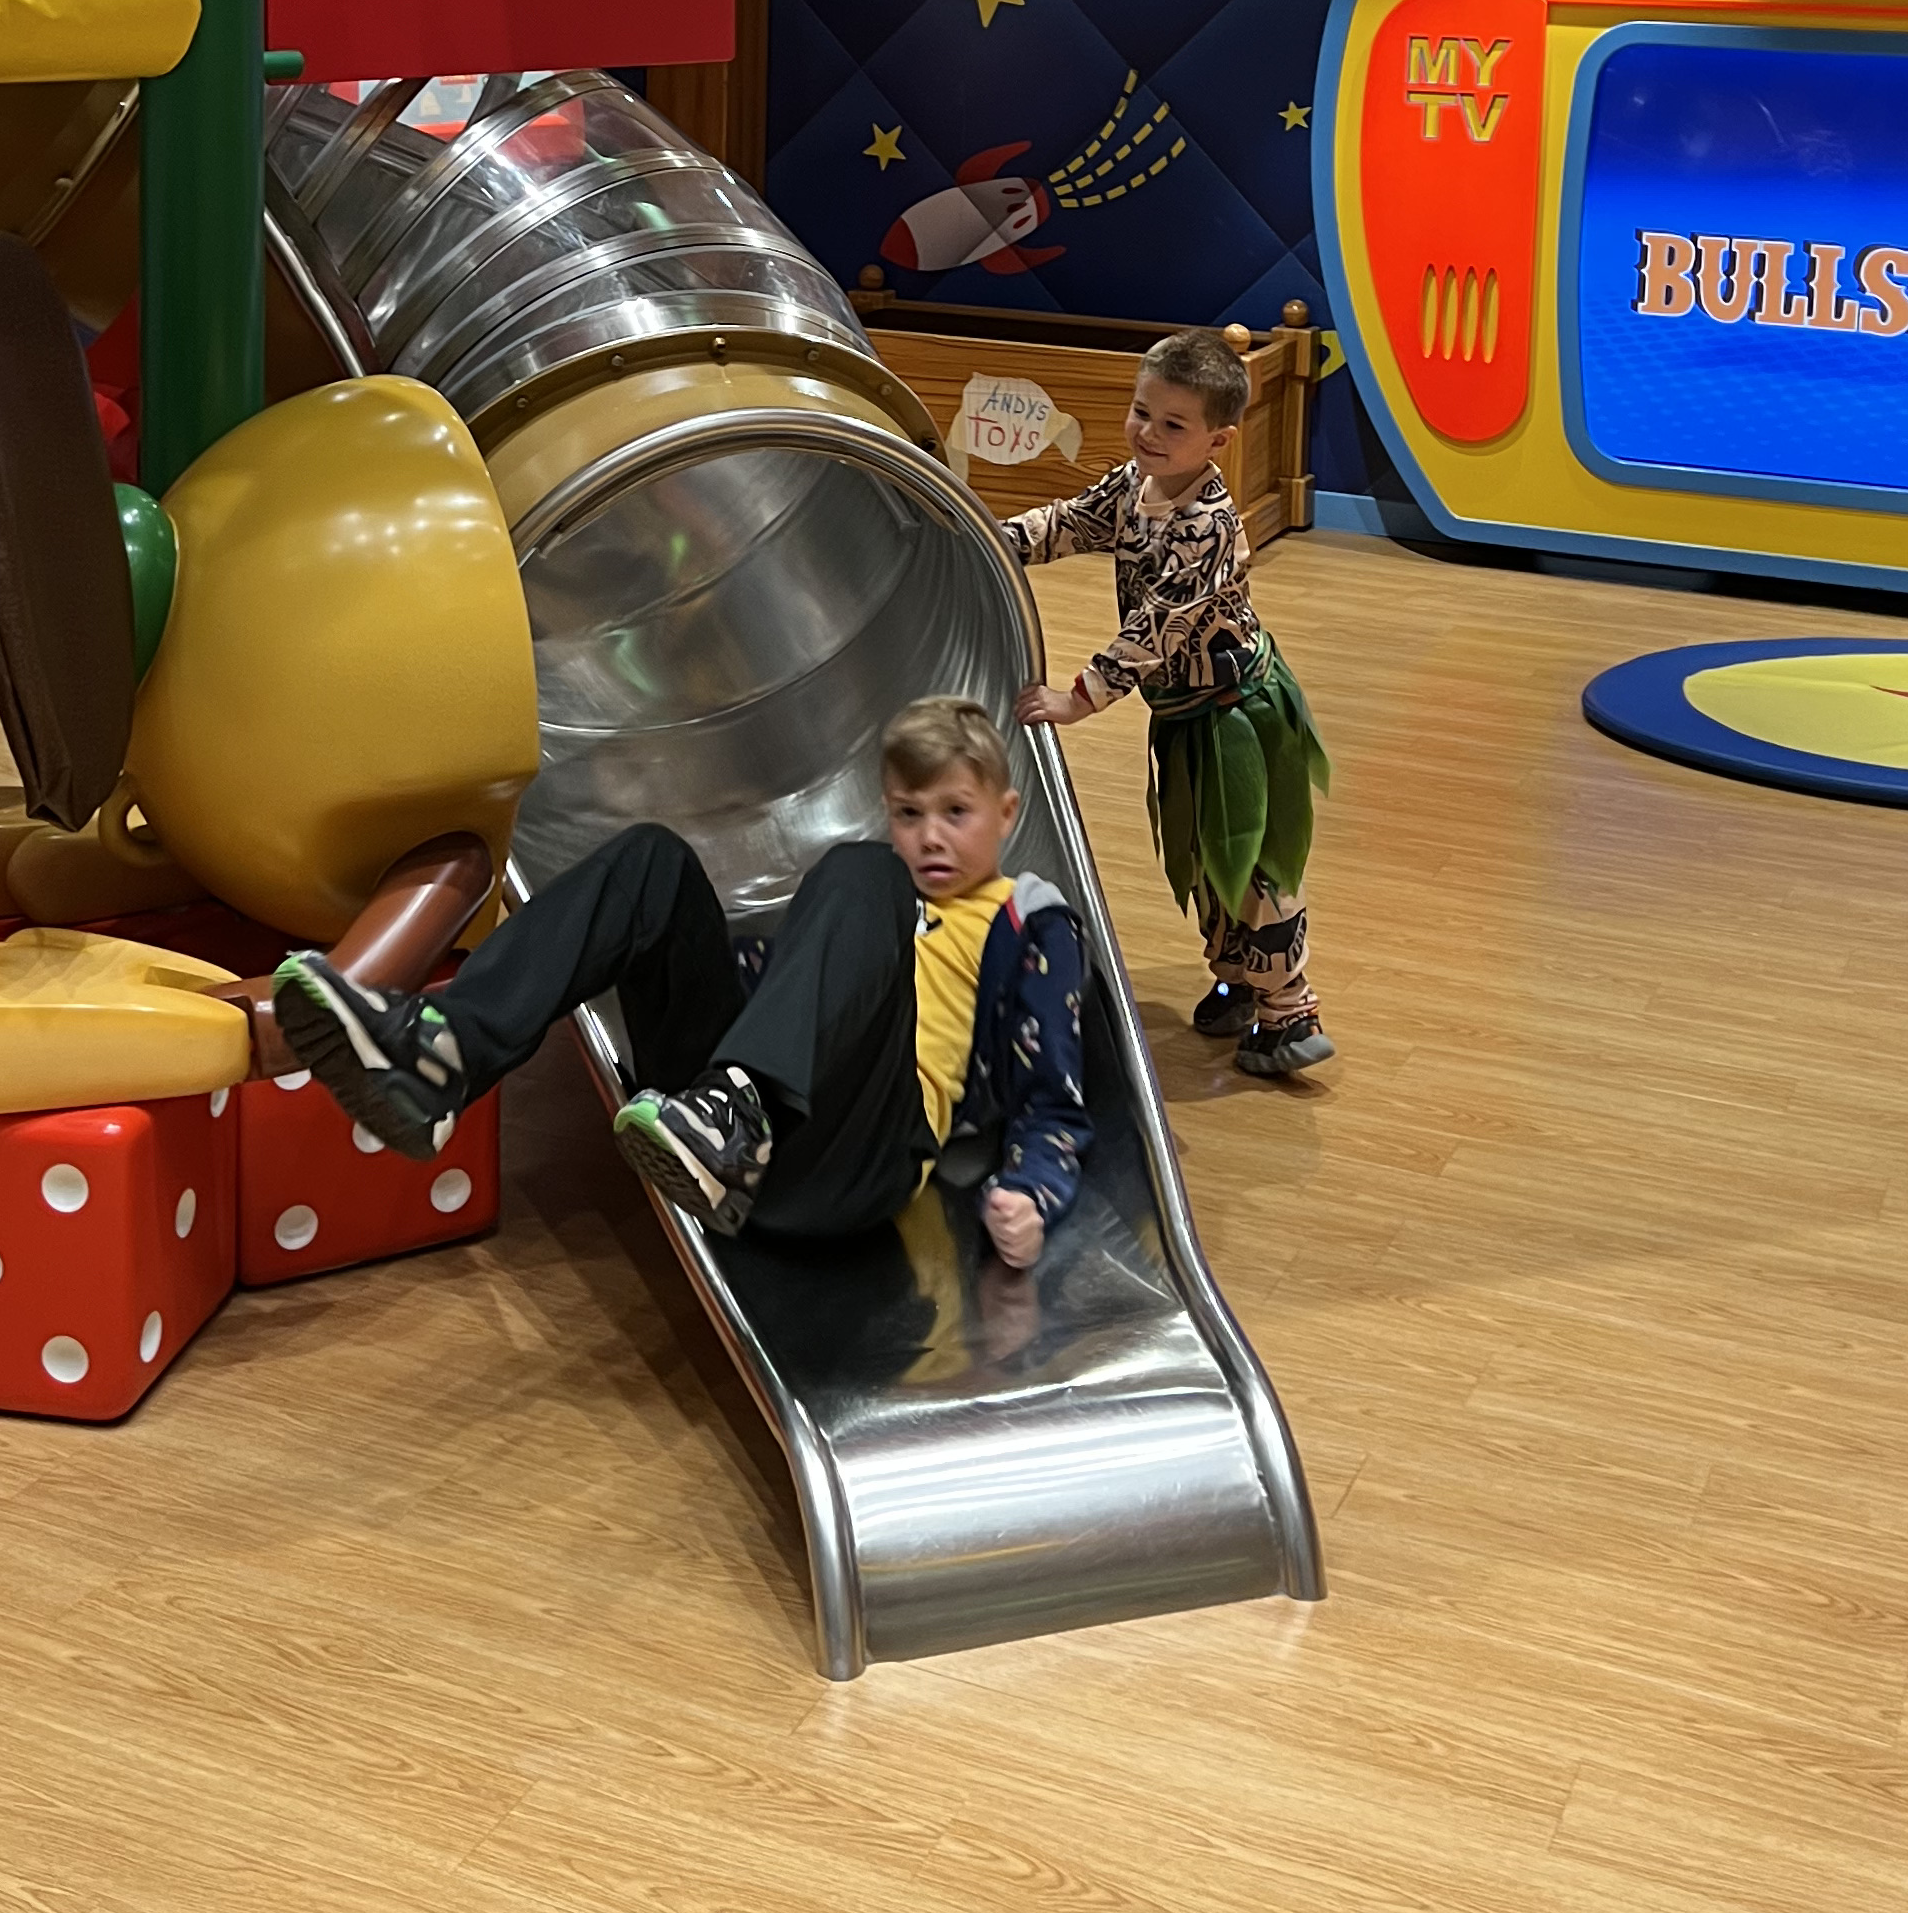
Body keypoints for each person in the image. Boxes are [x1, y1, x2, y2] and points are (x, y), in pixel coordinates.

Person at [258, 699, 1090, 1271]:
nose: (930, 837)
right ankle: (444, 1055)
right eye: (909, 813)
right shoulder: (862, 912)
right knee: (654, 860)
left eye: (956, 812)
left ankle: (737, 1117)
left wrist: (1032, 1190)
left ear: (1007, 813)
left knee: (864, 873)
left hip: (858, 1162)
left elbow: (1054, 1094)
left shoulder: (1025, 920)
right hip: (713, 1139)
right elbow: (773, 985)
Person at [1001, 328, 1335, 1083]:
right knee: (1205, 857)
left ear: (1218, 440)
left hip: (1236, 714)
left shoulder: (1207, 526)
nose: (1147, 433)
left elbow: (1158, 628)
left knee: (1249, 858)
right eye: (1141, 412)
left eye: (1172, 424)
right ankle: (1239, 983)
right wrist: (993, 537)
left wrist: (1079, 697)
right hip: (1186, 712)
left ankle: (1291, 1010)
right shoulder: (1134, 486)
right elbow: (1070, 522)